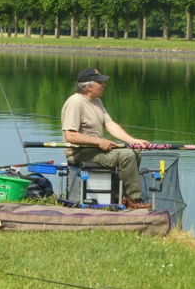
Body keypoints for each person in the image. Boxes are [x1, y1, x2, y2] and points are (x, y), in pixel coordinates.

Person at [61, 68, 151, 209]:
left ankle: (119, 194)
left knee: (135, 151)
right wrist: (99, 141)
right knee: (126, 156)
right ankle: (133, 199)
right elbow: (70, 136)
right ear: (88, 86)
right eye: (100, 82)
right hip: (81, 152)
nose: (104, 85)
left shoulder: (96, 101)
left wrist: (133, 141)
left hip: (96, 149)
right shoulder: (75, 103)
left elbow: (110, 124)